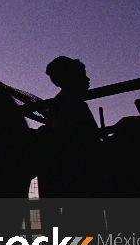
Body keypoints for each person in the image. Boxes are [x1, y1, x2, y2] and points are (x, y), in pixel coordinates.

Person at [37, 56, 103, 234]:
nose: (88, 80)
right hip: (78, 177)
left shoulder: (64, 104)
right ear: (70, 78)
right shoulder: (70, 105)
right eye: (82, 75)